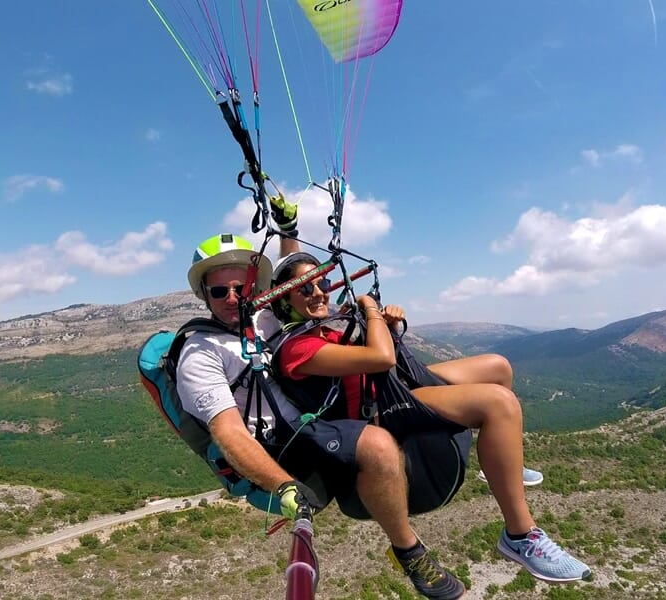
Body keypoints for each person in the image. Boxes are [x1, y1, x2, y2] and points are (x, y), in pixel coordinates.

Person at [270, 252, 592, 591]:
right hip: (377, 411)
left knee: (498, 367)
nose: (319, 292)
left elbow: (379, 354)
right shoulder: (297, 348)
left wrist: (386, 325)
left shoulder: (322, 331)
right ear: (284, 303)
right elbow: (381, 357)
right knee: (499, 404)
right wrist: (370, 308)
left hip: (388, 387)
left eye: (322, 283)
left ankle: (501, 468)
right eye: (305, 290)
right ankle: (521, 535)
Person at [175, 226, 465, 597]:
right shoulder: (200, 355)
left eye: (242, 288)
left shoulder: (260, 319)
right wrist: (284, 486)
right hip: (276, 445)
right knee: (375, 443)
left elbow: (294, 273)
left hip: (307, 420)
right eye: (220, 291)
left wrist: (287, 230)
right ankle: (409, 552)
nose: (233, 298)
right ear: (204, 295)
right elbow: (229, 431)